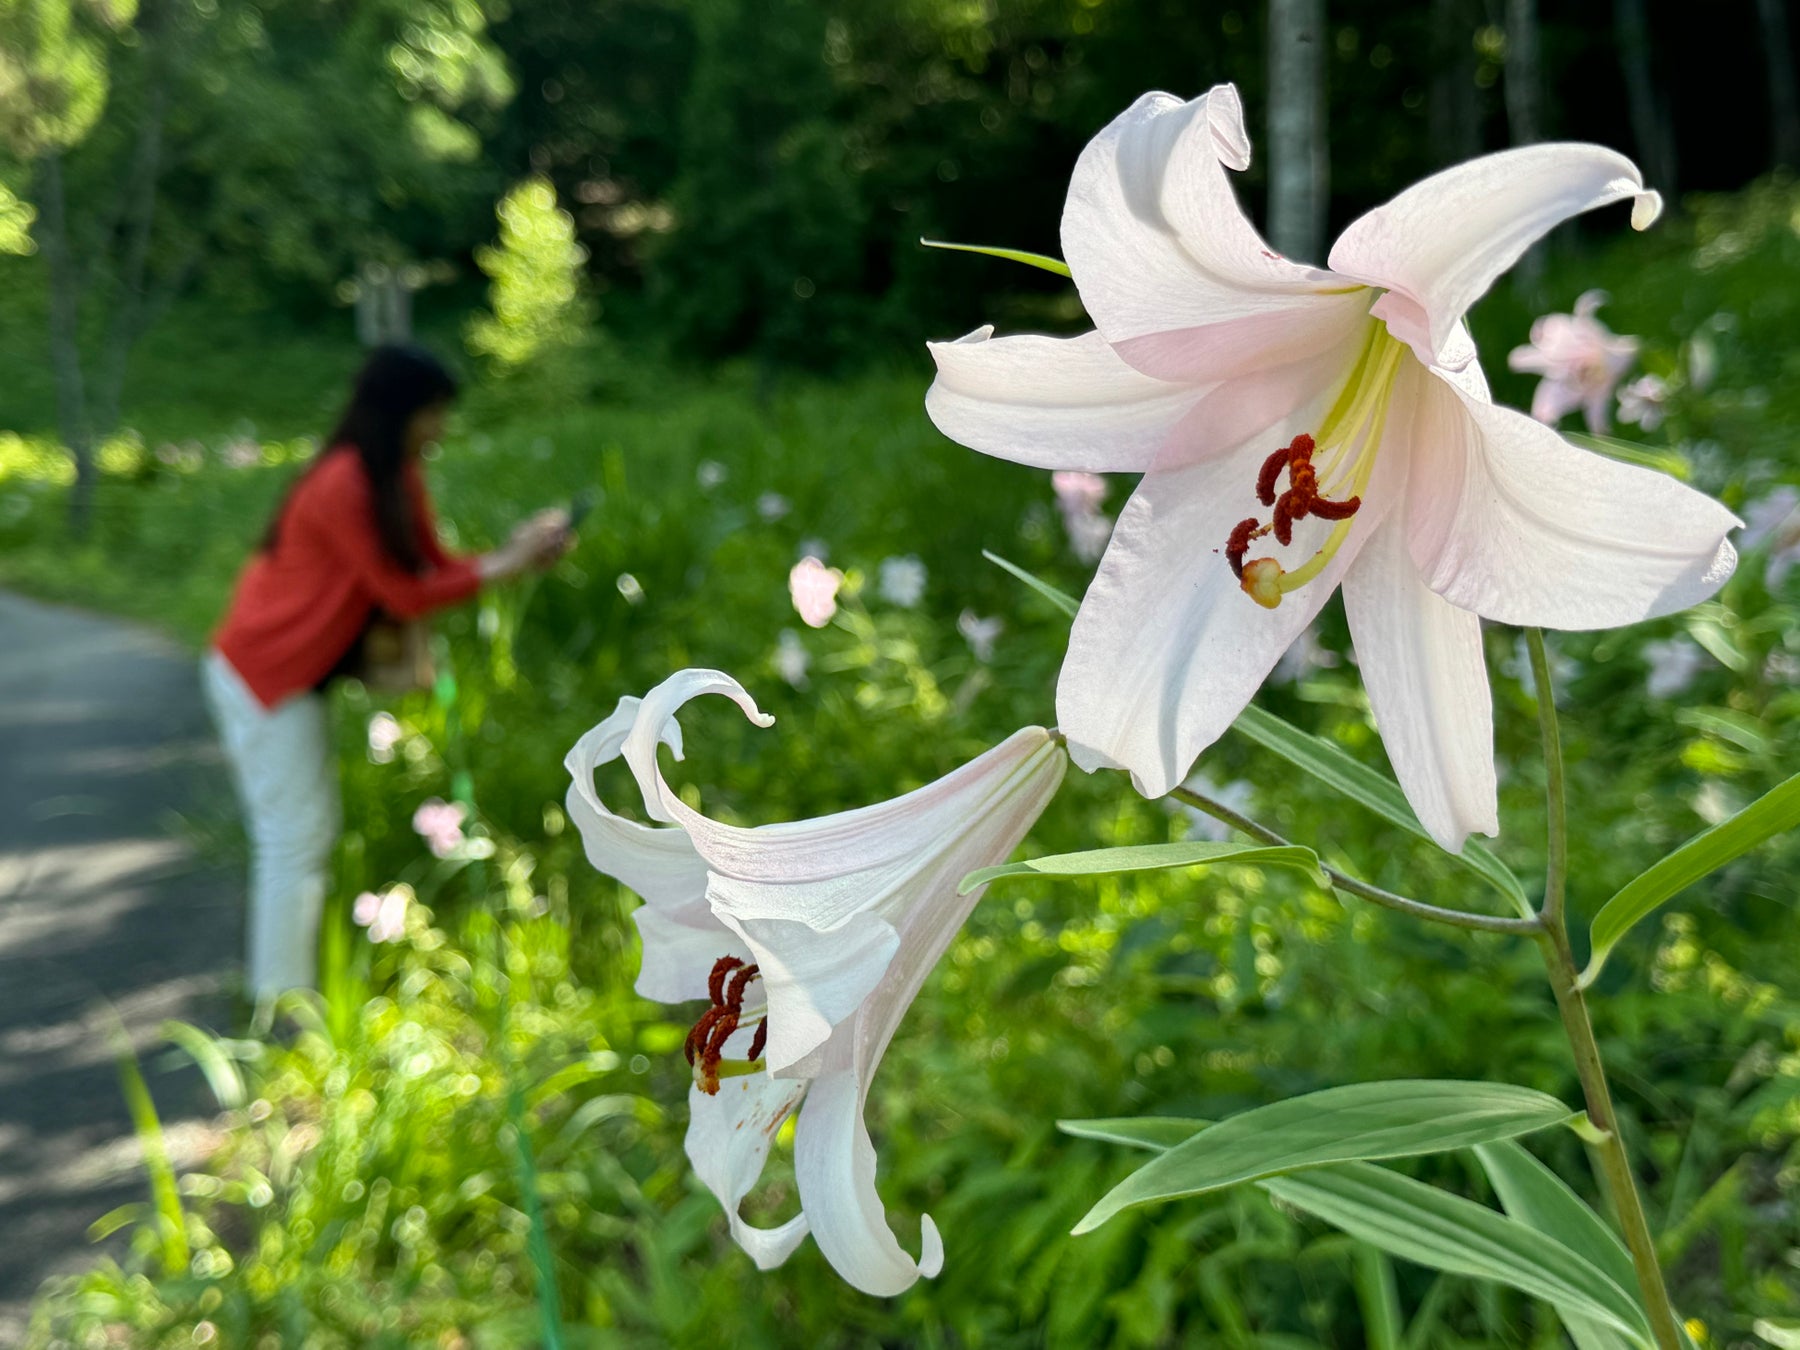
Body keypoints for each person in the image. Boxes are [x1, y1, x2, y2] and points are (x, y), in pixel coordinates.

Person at [203, 344, 567, 1000]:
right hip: (263, 673)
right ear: (399, 412)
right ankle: (279, 1005)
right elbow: (404, 594)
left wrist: (515, 553)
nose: (440, 429)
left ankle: (286, 996)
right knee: (293, 838)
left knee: (304, 834)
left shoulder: (396, 477)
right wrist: (505, 564)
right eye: (433, 413)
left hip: (293, 676)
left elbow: (433, 566)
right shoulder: (343, 482)